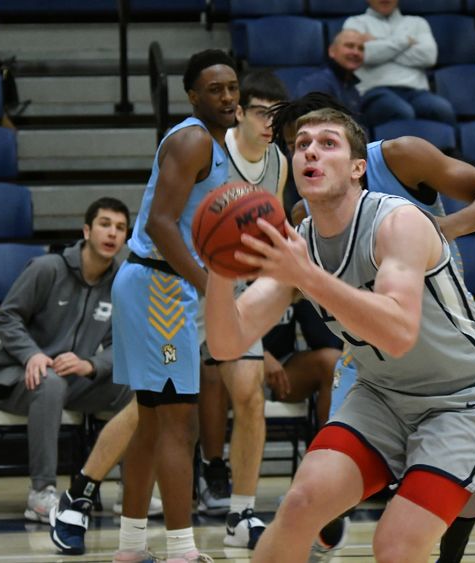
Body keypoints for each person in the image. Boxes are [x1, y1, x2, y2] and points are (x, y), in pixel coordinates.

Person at [204, 107, 475, 563]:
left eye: (328, 142)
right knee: (299, 505)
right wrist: (217, 266)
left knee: (393, 547)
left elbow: (398, 333)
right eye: (301, 144)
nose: (310, 149)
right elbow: (226, 343)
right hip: (380, 397)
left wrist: (306, 276)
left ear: (357, 168)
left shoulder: (400, 222)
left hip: (463, 399)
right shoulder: (299, 242)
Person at [110, 49, 238, 563]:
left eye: (232, 86)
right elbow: (163, 224)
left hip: (159, 284)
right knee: (177, 423)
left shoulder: (215, 144)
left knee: (151, 420)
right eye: (215, 89)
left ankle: (130, 549)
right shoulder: (191, 140)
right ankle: (183, 552)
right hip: (160, 288)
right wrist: (211, 286)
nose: (227, 96)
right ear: (192, 96)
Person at [0, 197, 134, 526]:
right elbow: (8, 318)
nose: (112, 233)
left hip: (71, 380)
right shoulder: (47, 268)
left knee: (135, 385)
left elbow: (123, 344)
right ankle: (41, 494)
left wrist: (91, 365)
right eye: (104, 224)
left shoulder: (121, 283)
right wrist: (33, 354)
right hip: (15, 377)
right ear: (86, 230)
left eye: (120, 228)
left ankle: (133, 489)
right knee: (50, 381)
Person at [194, 69, 289, 550]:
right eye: (261, 112)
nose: (270, 122)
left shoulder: (279, 162)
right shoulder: (208, 151)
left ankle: (241, 513)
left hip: (234, 291)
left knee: (250, 395)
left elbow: (269, 233)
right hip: (183, 286)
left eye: (278, 114)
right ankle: (85, 489)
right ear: (239, 111)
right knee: (150, 407)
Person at [343, 0, 456, 127]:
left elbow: (429, 57)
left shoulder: (418, 23)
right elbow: (365, 54)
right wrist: (406, 43)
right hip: (374, 92)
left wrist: (379, 43)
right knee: (401, 111)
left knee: (443, 109)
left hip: (416, 92)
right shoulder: (355, 23)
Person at [261, 300, 342, 427]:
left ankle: (329, 442)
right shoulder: (234, 284)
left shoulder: (287, 283)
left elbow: (322, 340)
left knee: (332, 362)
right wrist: (260, 353)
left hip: (283, 367)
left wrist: (306, 293)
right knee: (219, 373)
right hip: (236, 362)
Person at [295, 30, 365, 118]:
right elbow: (311, 123)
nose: (356, 52)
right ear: (331, 51)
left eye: (361, 49)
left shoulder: (353, 89)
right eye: (349, 46)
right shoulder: (317, 83)